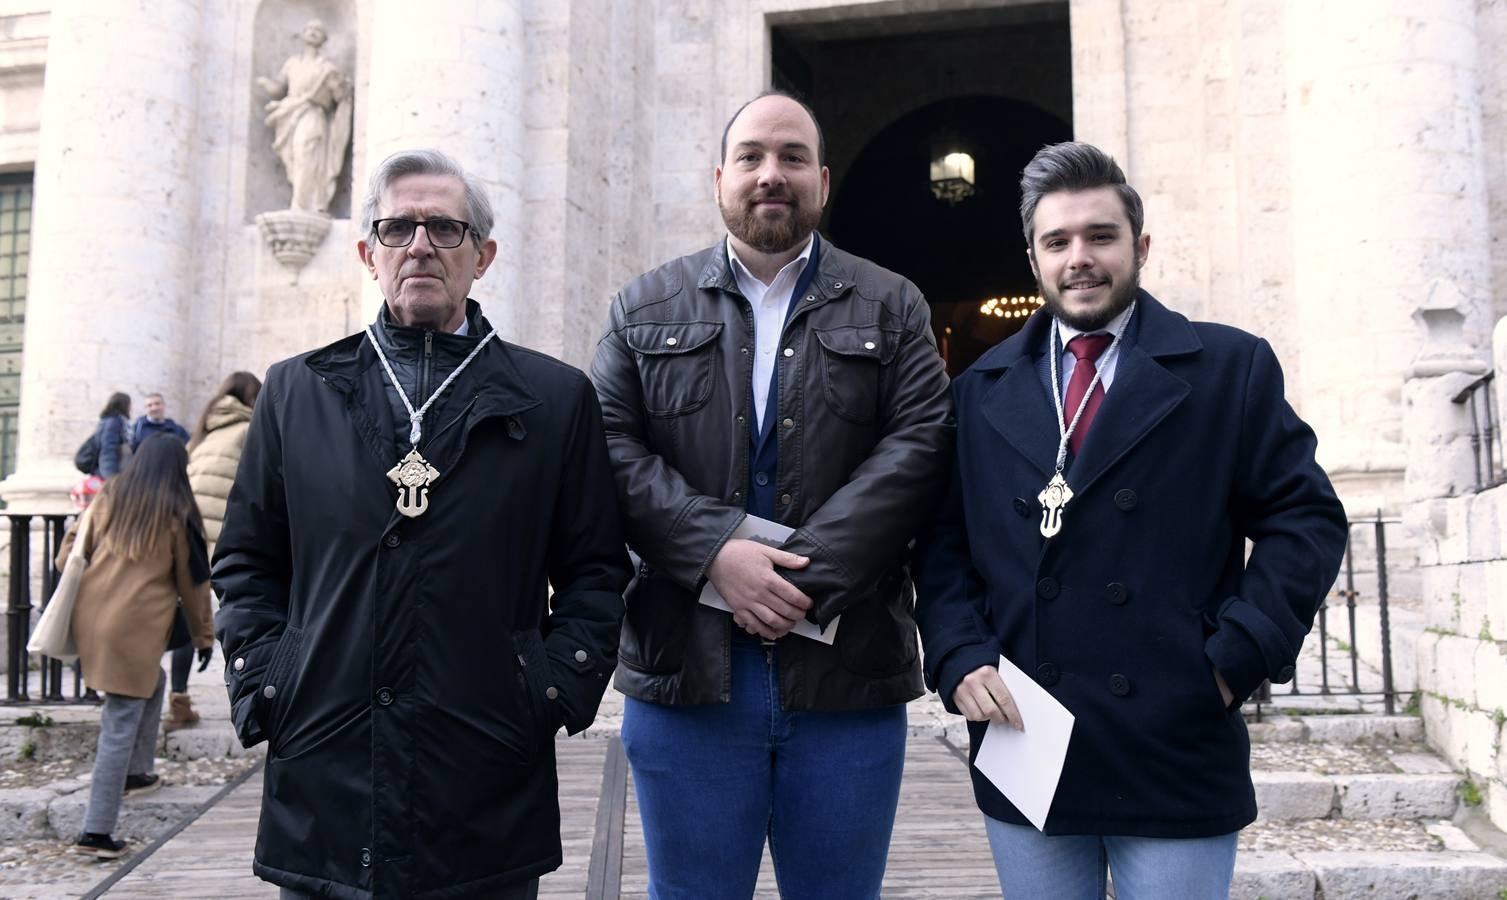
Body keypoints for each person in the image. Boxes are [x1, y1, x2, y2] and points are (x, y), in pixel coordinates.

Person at [912, 141, 1349, 898]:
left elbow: (1303, 517)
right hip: (1026, 739)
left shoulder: (1226, 368)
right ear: (1033, 258)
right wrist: (956, 651)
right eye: (1057, 242)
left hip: (1172, 733)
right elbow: (944, 542)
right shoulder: (977, 390)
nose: (1078, 258)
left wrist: (1235, 655)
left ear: (1138, 247)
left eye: (1099, 237)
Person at [214, 148, 631, 899]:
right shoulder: (293, 391)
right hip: (326, 768)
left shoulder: (556, 399)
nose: (420, 246)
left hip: (486, 771)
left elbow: (595, 570)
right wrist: (269, 680)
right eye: (398, 227)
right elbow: (247, 560)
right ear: (368, 253)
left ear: (483, 256)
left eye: (445, 228)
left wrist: (548, 689)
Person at [589, 91, 953, 899]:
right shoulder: (639, 308)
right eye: (751, 157)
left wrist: (795, 577)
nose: (770, 174)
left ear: (821, 180)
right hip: (685, 673)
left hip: (847, 677)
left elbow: (920, 447)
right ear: (718, 177)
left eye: (791, 158)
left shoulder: (892, 306)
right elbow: (608, 449)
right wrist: (715, 552)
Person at [60, 434, 214, 859]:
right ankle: (96, 832)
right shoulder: (177, 512)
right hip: (133, 629)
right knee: (120, 720)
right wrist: (203, 637)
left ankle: (139, 771)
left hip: (94, 619)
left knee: (155, 679)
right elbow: (195, 584)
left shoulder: (111, 494)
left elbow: (68, 553)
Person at [161, 371, 263, 731]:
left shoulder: (203, 434)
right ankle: (254, 698)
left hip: (186, 535)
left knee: (192, 618)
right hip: (223, 538)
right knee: (238, 617)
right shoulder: (248, 431)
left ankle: (179, 699)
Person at [256, 19, 353, 213]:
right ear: (303, 34)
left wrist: (342, 88)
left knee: (306, 154)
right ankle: (301, 202)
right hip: (290, 114)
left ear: (324, 38)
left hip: (313, 114)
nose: (313, 32)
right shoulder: (292, 64)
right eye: (309, 29)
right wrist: (265, 84)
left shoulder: (327, 68)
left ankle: (307, 204)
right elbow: (279, 88)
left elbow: (339, 97)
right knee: (295, 158)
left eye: (318, 30)